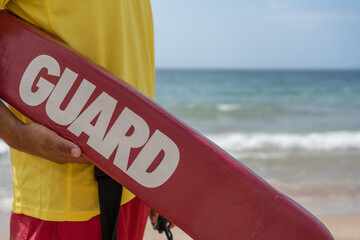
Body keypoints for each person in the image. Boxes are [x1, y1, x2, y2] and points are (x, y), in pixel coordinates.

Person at [0, 0, 164, 239]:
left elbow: (127, 44)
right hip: (64, 205)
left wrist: (158, 184)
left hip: (133, 186)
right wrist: (17, 134)